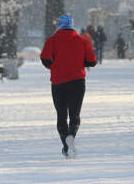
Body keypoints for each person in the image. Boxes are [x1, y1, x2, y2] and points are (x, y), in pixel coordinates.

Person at [41, 14, 97, 158]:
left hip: (58, 83)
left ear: (58, 25)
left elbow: (45, 60)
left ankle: (66, 146)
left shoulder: (52, 41)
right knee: (74, 114)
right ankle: (71, 135)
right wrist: (77, 63)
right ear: (72, 24)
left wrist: (56, 67)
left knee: (61, 115)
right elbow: (92, 61)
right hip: (77, 82)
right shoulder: (82, 41)